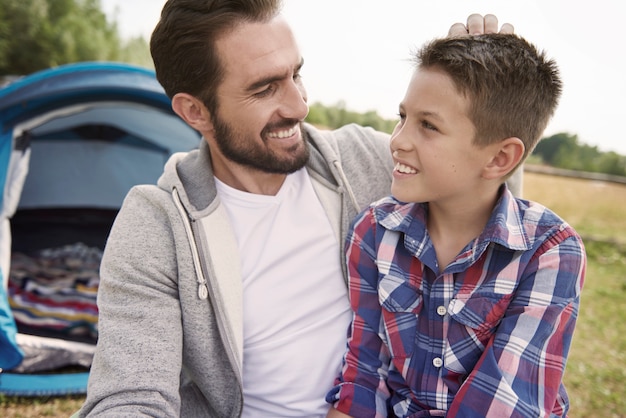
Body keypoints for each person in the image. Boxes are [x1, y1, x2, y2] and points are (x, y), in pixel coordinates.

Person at [77, 0, 515, 416]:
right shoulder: (157, 226)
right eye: (265, 89)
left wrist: (489, 97)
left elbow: (483, 185)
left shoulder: (368, 163)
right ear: (196, 111)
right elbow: (130, 397)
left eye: (296, 74)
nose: (299, 105)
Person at [325, 33, 586, 418]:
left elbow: (501, 406)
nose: (397, 141)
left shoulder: (550, 252)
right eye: (403, 117)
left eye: (428, 125)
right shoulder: (373, 231)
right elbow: (364, 375)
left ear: (500, 158)